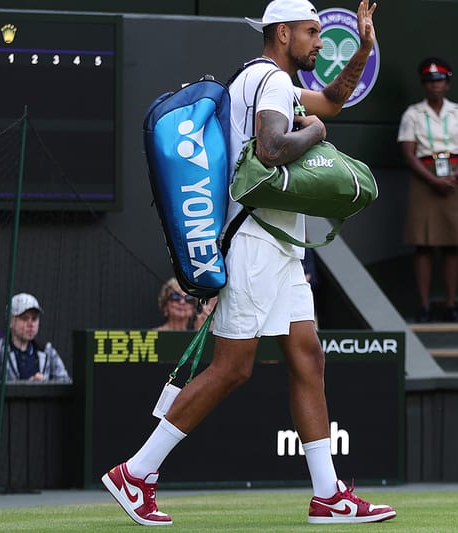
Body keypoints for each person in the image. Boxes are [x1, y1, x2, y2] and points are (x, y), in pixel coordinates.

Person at [101, 0, 395, 526]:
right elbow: (275, 146)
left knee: (308, 356)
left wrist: (365, 50)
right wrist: (317, 136)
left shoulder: (262, 79)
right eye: (311, 32)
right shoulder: (273, 83)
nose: (320, 42)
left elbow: (330, 100)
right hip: (257, 242)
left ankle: (328, 494)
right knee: (232, 368)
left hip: (279, 244)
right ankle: (136, 472)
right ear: (282, 34)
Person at [397, 56, 458, 323]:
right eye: (430, 81)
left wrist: (455, 175)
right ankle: (424, 306)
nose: (435, 86)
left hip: (454, 177)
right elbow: (408, 153)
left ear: (448, 83)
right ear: (423, 85)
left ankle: (450, 304)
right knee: (423, 244)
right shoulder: (413, 114)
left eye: (440, 80)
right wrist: (432, 180)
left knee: (451, 245)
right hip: (425, 177)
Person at [0, 293, 70, 382]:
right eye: (24, 318)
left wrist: (45, 387)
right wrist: (26, 387)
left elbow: (65, 382)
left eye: (34, 318)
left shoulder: (47, 350)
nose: (31, 324)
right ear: (10, 322)